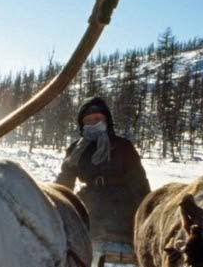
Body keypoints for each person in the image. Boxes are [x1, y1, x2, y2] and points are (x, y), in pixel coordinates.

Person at [55, 96, 151, 244]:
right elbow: (65, 179)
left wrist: (147, 211)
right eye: (88, 120)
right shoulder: (76, 149)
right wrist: (55, 202)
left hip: (122, 205)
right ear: (82, 124)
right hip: (89, 202)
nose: (93, 123)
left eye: (97, 119)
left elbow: (138, 181)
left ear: (106, 120)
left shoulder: (123, 146)